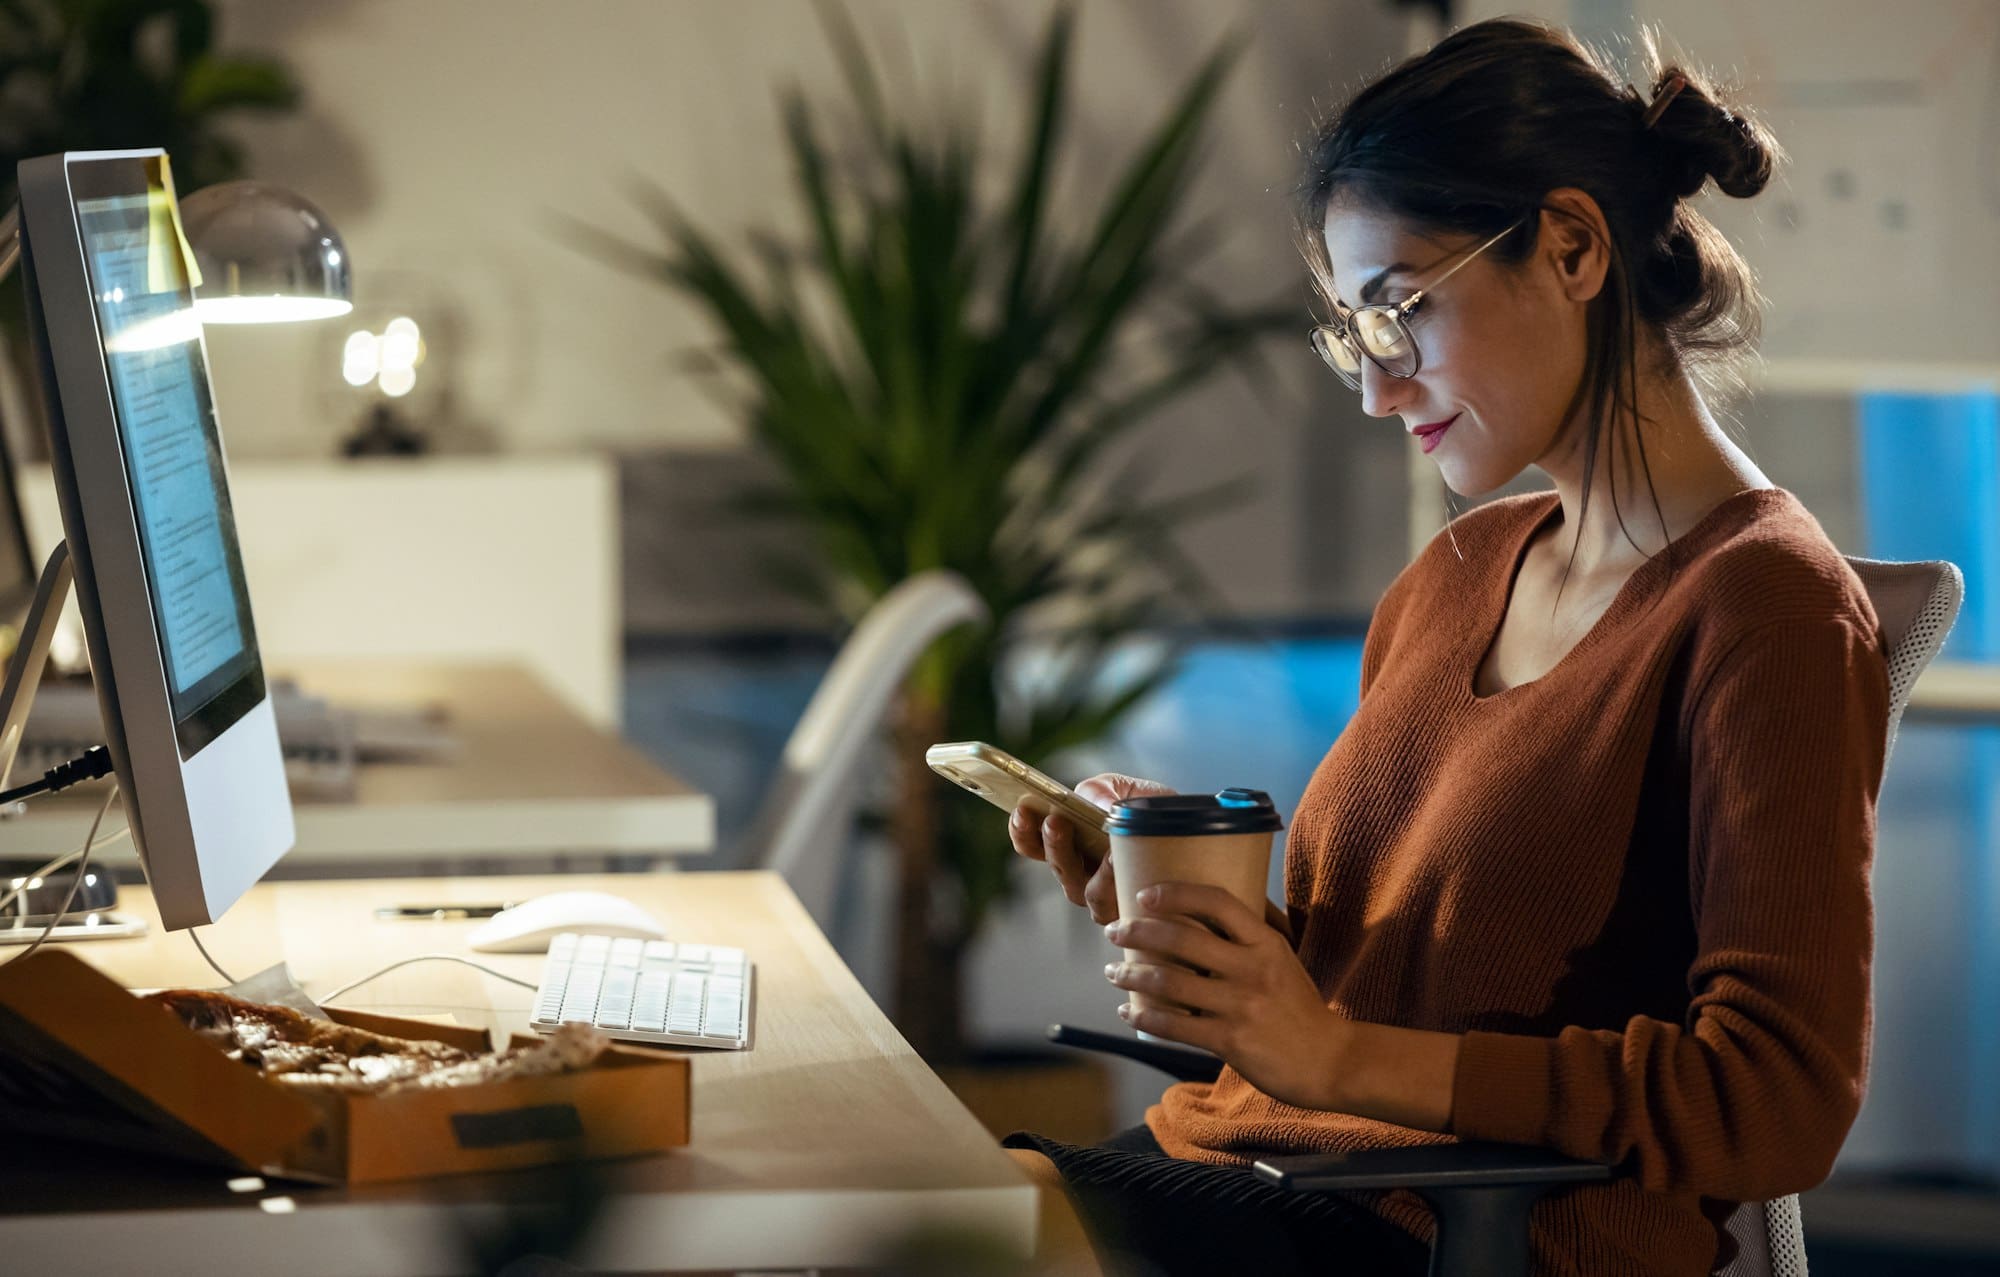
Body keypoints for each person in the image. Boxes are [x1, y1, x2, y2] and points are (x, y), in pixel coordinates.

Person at [1001, 17, 1891, 1277]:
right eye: (1354, 333)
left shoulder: (1767, 608)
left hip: (1442, 1233)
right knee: (853, 1196)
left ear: (1571, 246)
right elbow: (1402, 987)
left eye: (1399, 310)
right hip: (1259, 1169)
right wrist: (1221, 938)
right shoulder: (1456, 573)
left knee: (889, 1222)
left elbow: (1774, 1097)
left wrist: (1328, 1055)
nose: (1375, 386)